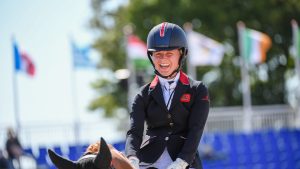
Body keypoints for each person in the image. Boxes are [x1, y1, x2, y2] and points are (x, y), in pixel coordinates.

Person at [125, 22, 210, 169]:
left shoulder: (198, 90)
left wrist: (182, 162)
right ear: (151, 56)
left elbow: (196, 130)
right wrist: (131, 157)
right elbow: (134, 132)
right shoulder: (142, 94)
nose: (163, 60)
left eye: (169, 54)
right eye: (158, 54)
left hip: (184, 159)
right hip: (149, 158)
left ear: (181, 54)